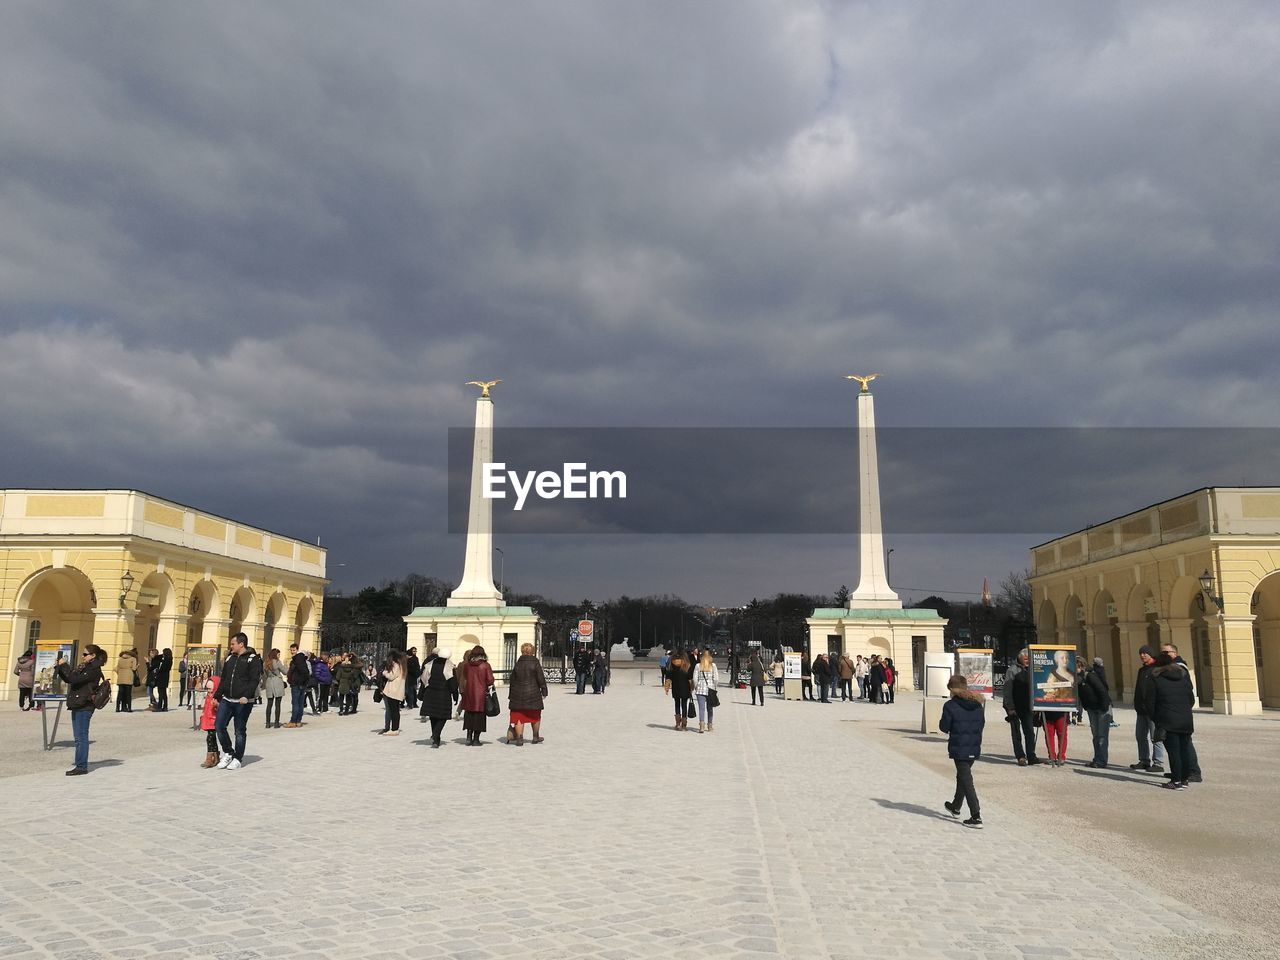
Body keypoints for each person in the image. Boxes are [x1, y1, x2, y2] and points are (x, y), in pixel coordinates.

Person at [53, 644, 108, 775]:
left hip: (85, 705)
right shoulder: (85, 667)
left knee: (81, 737)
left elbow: (74, 679)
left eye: (85, 654)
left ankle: (81, 766)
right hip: (78, 703)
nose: (83, 657)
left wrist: (65, 665)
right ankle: (80, 764)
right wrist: (60, 667)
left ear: (93, 656)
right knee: (78, 737)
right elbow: (69, 678)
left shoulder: (93, 669)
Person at [940, 674, 984, 828]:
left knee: (966, 779)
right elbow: (981, 725)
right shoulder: (978, 704)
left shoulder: (950, 705)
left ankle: (976, 815)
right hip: (973, 745)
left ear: (952, 689)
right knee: (962, 776)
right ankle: (956, 806)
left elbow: (944, 727)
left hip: (959, 746)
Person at [213, 632, 263, 770]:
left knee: (239, 730)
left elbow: (254, 680)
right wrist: (217, 696)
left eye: (233, 644)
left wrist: (246, 696)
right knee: (219, 725)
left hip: (243, 702)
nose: (231, 646)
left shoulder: (253, 659)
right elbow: (224, 679)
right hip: (227, 699)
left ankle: (237, 758)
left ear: (241, 644)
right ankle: (228, 752)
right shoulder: (230, 658)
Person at [1151, 651, 1196, 790]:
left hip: (1168, 719)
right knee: (1184, 749)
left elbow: (1152, 702)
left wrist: (1156, 718)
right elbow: (1191, 699)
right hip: (1185, 719)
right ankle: (1184, 779)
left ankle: (1176, 781)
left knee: (1174, 751)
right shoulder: (1183, 677)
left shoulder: (1157, 679)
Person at [1159, 642, 1203, 782]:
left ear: (1175, 653)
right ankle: (1180, 771)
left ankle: (1193, 771)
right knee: (1178, 745)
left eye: (1167, 652)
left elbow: (1188, 693)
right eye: (1162, 652)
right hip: (1179, 713)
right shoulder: (1170, 668)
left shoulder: (1179, 668)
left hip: (1178, 714)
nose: (1164, 655)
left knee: (1184, 745)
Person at [1130, 646, 1165, 774]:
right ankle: (1144, 760)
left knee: (1155, 736)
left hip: (1153, 710)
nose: (1142, 655)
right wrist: (1137, 703)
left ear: (1151, 654)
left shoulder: (1157, 669)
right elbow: (1139, 689)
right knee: (1140, 736)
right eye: (1141, 653)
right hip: (1141, 709)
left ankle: (1158, 762)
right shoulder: (1142, 670)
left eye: (1145, 653)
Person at [1002, 649, 1039, 766]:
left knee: (1029, 732)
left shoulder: (1034, 670)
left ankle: (1031, 755)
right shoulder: (1012, 670)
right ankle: (1020, 756)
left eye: (1029, 659)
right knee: (1016, 733)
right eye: (1026, 659)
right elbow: (1007, 690)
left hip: (1028, 706)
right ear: (1020, 658)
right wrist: (1010, 707)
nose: (1028, 661)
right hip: (1014, 706)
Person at [507, 643, 549, 745]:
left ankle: (520, 738)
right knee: (535, 716)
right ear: (532, 651)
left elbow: (512, 680)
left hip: (517, 695)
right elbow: (540, 678)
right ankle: (535, 737)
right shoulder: (535, 663)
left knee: (518, 717)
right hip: (533, 694)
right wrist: (544, 690)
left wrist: (511, 694)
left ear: (522, 651)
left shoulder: (518, 663)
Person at [1078, 656, 1112, 768]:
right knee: (1096, 735)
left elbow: (1102, 691)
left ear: (1081, 666)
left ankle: (1101, 761)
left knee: (1102, 735)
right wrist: (1086, 706)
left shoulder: (1090, 676)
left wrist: (1103, 707)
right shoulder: (1080, 678)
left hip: (1101, 709)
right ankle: (1097, 758)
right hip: (1092, 709)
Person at [419, 647, 456, 747]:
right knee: (442, 716)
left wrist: (421, 694)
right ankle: (436, 735)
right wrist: (455, 695)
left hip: (430, 693)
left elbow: (424, 679)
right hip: (443, 694)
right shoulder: (450, 666)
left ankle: (436, 738)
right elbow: (452, 683)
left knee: (433, 716)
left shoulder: (429, 665)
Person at [460, 646, 494, 745]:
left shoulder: (467, 665)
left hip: (469, 694)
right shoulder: (485, 665)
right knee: (479, 717)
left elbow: (466, 677)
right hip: (480, 695)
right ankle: (476, 739)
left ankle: (469, 736)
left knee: (469, 715)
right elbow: (490, 680)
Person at [379, 651, 407, 736]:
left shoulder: (396, 665)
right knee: (395, 710)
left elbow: (391, 676)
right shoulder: (402, 665)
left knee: (393, 710)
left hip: (393, 691)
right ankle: (395, 728)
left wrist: (384, 672)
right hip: (397, 690)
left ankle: (394, 728)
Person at [693, 649, 719, 733]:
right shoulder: (713, 665)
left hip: (700, 688)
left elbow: (695, 679)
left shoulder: (698, 666)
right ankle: (710, 725)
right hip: (710, 688)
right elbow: (716, 679)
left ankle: (701, 726)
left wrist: (696, 687)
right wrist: (715, 687)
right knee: (710, 708)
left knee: (701, 708)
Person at [199, 675, 222, 767]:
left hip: (214, 721)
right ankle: (215, 757)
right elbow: (206, 708)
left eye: (210, 689)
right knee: (212, 739)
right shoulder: (208, 697)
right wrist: (202, 715)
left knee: (210, 739)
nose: (208, 691)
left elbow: (221, 709)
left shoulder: (217, 698)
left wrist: (216, 705)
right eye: (207, 689)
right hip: (208, 720)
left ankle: (210, 757)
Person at [285, 642, 310, 728]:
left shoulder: (297, 659)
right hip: (301, 684)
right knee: (300, 702)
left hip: (297, 684)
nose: (292, 652)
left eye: (294, 650)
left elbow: (302, 671)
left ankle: (293, 721)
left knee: (295, 703)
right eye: (291, 650)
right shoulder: (301, 659)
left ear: (297, 650)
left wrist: (296, 680)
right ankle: (298, 721)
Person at [261, 648, 286, 729]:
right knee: (277, 704)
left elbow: (264, 674)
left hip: (269, 682)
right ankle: (276, 723)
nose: (279, 656)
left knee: (269, 704)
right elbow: (285, 671)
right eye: (278, 654)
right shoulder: (277, 662)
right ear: (275, 654)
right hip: (277, 682)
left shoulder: (266, 663)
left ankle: (267, 723)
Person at [669, 650, 693, 730]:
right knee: (684, 705)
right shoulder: (687, 665)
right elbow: (690, 678)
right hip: (685, 688)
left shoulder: (672, 664)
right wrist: (691, 687)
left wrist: (667, 685)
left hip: (675, 687)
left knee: (677, 704)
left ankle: (677, 723)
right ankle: (684, 724)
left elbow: (669, 676)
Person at [114, 647, 138, 712]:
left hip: (121, 677)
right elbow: (134, 669)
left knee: (120, 694)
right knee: (128, 694)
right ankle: (129, 708)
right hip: (129, 677)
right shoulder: (133, 659)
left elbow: (116, 668)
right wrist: (137, 666)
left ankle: (118, 708)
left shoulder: (120, 659)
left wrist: (120, 673)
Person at [154, 648, 173, 712]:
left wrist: (158, 670)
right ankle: (165, 706)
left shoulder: (166, 660)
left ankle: (160, 706)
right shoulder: (170, 659)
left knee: (161, 693)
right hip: (166, 677)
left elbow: (162, 669)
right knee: (164, 693)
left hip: (161, 677)